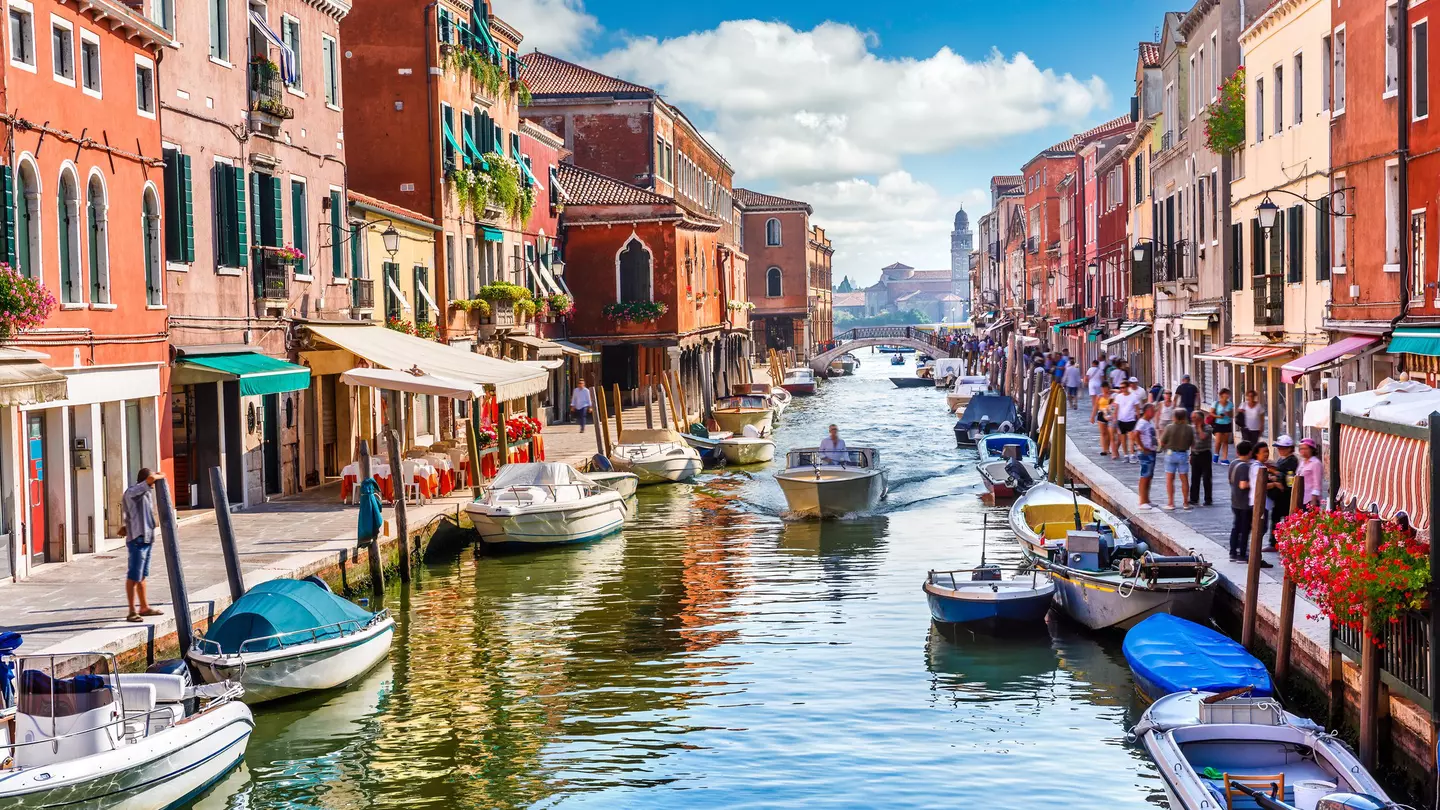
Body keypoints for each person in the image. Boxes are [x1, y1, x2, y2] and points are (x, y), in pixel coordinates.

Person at [122, 468, 166, 623]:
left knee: (141, 576)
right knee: (133, 575)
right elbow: (150, 479)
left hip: (147, 539)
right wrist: (159, 475)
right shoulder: (133, 492)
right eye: (152, 481)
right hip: (137, 539)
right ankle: (132, 611)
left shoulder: (146, 493)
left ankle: (144, 607)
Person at [1267, 435, 1300, 550]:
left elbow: (1288, 478)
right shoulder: (1282, 459)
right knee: (1276, 518)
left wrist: (1276, 478)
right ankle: (1275, 542)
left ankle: (1281, 542)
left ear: (1289, 448)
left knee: (1284, 518)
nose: (1280, 450)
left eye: (1282, 448)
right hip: (1279, 495)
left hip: (1285, 494)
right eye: (1279, 448)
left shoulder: (1291, 461)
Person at [1248, 442, 1277, 568]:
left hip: (1261, 503)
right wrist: (1275, 484)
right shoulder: (1257, 468)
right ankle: (1256, 558)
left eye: (1267, 451)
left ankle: (1255, 557)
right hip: (1259, 503)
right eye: (1263, 452)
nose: (1266, 454)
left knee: (1261, 530)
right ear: (1256, 453)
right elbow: (1260, 485)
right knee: (1259, 531)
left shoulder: (1260, 466)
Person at [1159, 408, 1194, 510]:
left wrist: (1165, 448)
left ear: (1174, 417)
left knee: (1170, 479)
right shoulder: (1189, 428)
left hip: (1170, 453)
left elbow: (1162, 442)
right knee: (1184, 480)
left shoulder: (1169, 427)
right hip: (1183, 454)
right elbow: (1192, 443)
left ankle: (1171, 503)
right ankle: (1185, 503)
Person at [1228, 442, 1254, 561]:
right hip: (1244, 503)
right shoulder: (1245, 466)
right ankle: (1242, 554)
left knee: (1236, 527)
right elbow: (1243, 485)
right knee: (1244, 529)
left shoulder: (1233, 463)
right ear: (1250, 452)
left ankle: (1233, 551)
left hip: (1235, 500)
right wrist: (1255, 483)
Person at [1189, 409, 1214, 506]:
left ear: (1200, 419)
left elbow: (1203, 437)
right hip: (1195, 454)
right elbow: (1192, 442)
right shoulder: (1191, 428)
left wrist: (1199, 427)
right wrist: (1191, 454)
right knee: (1195, 478)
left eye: (1194, 418)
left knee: (1207, 478)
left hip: (1205, 454)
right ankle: (1193, 498)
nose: (1192, 420)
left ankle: (1208, 499)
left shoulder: (1208, 427)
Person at [1136, 403, 1160, 508]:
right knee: (1145, 475)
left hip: (1151, 451)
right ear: (1146, 411)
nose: (1154, 412)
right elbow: (1136, 434)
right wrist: (1142, 446)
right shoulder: (1142, 422)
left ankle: (1147, 499)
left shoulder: (1149, 422)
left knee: (1149, 476)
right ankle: (1142, 501)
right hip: (1146, 452)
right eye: (1152, 410)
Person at [1115, 379, 1145, 462]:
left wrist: (1139, 420)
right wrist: (1115, 419)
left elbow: (1137, 409)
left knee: (1131, 438)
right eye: (1120, 387)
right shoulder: (1118, 397)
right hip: (1121, 420)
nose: (1122, 389)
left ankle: (1132, 454)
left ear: (1128, 387)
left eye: (1123, 387)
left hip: (1131, 419)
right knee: (1123, 439)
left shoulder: (1133, 396)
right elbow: (1116, 408)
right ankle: (1125, 455)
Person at [1296, 438, 1324, 508]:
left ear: (1312, 450)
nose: (1303, 451)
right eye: (1301, 449)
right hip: (1301, 497)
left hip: (1310, 499)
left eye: (1305, 449)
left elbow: (1317, 483)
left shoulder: (1316, 463)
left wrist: (1313, 500)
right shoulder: (1302, 462)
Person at [1213, 389, 1235, 463]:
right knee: (1218, 441)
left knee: (1225, 442)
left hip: (1227, 424)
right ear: (1222, 395)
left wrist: (1228, 413)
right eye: (1226, 394)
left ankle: (1224, 458)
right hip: (1218, 423)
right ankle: (1216, 455)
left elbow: (1232, 415)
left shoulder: (1230, 404)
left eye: (1228, 394)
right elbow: (1211, 413)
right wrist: (1218, 416)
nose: (1228, 396)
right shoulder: (1216, 403)